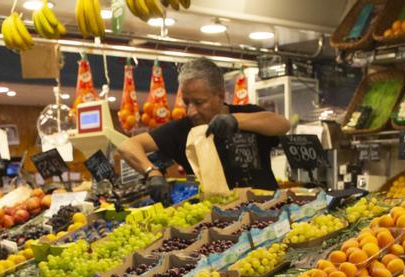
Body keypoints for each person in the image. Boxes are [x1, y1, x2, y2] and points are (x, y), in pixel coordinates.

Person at [117, 57, 290, 200]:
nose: (191, 111)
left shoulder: (248, 114)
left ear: (220, 95)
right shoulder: (181, 129)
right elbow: (127, 146)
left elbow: (282, 124)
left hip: (268, 211)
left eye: (199, 103)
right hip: (218, 218)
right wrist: (151, 172)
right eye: (186, 102)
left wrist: (235, 121)